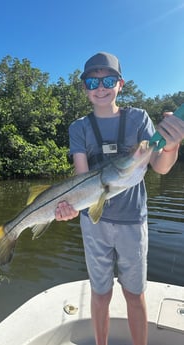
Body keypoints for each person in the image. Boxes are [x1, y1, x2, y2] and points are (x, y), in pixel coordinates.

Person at [55, 52, 184, 345]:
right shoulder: (79, 127)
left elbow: (161, 168)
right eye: (92, 81)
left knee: (135, 294)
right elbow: (81, 178)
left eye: (108, 80)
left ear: (120, 84)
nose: (100, 87)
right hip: (94, 223)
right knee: (100, 294)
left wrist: (172, 146)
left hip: (132, 221)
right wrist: (70, 208)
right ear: (84, 88)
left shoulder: (139, 117)